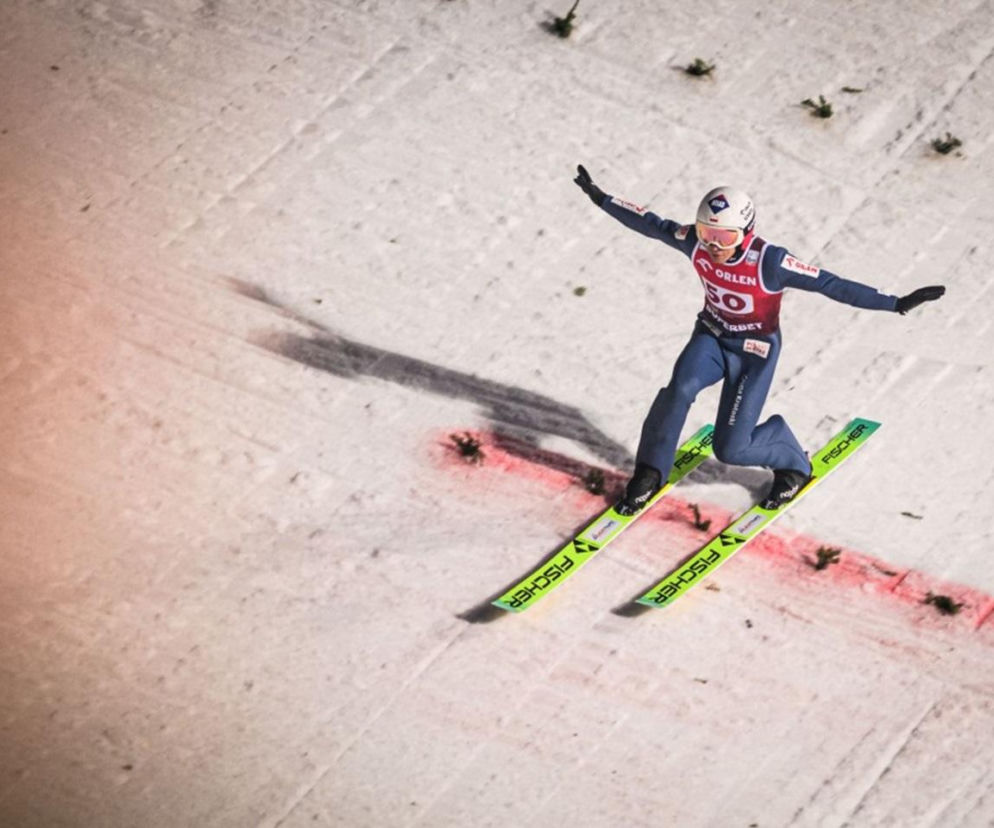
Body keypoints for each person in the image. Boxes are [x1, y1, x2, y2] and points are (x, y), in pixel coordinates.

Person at [573, 164, 945, 514]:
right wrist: (603, 198)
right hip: (711, 338)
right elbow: (652, 223)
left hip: (753, 354)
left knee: (731, 449)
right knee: (678, 390)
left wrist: (895, 303)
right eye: (706, 233)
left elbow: (830, 284)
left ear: (746, 233)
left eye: (724, 237)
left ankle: (791, 460)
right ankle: (650, 471)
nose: (713, 245)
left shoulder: (771, 261)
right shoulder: (695, 242)